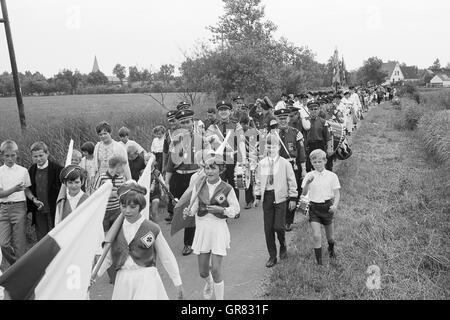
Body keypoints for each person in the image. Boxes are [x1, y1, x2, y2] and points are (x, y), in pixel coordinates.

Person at [93, 181, 183, 300]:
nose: (127, 211)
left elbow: (166, 256)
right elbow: (108, 257)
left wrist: (177, 281)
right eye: (124, 206)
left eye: (133, 207)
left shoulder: (152, 228)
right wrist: (92, 276)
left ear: (141, 206)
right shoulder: (115, 230)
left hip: (146, 278)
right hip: (123, 280)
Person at [184, 152, 240, 300]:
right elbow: (194, 206)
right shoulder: (199, 184)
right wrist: (189, 211)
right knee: (203, 272)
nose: (209, 171)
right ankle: (209, 283)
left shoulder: (227, 188)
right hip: (202, 228)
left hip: (218, 228)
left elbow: (236, 210)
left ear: (220, 170)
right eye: (207, 168)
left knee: (216, 269)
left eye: (213, 168)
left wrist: (222, 210)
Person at [165, 109, 208, 256]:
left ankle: (189, 243)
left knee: (192, 208)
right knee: (181, 208)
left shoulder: (201, 139)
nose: (185, 125)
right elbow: (170, 164)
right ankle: (193, 236)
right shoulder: (175, 141)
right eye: (182, 122)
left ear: (192, 122)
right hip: (178, 179)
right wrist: (166, 182)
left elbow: (208, 160)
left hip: (195, 177)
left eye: (188, 122)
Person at [253, 134, 297, 268]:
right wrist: (257, 196)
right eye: (268, 146)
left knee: (278, 226)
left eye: (274, 146)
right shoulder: (262, 163)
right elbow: (259, 180)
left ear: (278, 147)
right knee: (268, 229)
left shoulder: (284, 163)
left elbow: (291, 180)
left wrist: (293, 197)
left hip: (280, 198)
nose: (271, 148)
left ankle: (282, 244)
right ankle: (272, 256)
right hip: (267, 196)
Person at [0, 140, 40, 265]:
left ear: (17, 155)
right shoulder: (0, 172)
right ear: (2, 156)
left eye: (13, 155)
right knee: (3, 243)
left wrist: (34, 199)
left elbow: (27, 190)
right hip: (4, 209)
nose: (10, 159)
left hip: (19, 208)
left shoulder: (23, 171)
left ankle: (20, 268)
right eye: (7, 156)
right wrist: (14, 189)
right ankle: (15, 264)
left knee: (19, 242)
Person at [301, 149, 340, 265]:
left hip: (327, 207)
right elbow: (304, 193)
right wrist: (307, 183)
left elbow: (337, 194)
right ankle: (319, 262)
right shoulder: (309, 175)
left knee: (330, 237)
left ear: (325, 161)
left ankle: (331, 248)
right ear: (311, 163)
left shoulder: (332, 176)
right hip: (314, 208)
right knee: (316, 235)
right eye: (314, 162)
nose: (317, 164)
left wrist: (335, 205)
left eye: (319, 161)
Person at [273, 108, 307, 232]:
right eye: (280, 118)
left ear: (289, 119)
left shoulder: (296, 133)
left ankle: (288, 221)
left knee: (292, 192)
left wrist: (303, 169)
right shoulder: (271, 134)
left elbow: (302, 153)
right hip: (277, 166)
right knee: (279, 192)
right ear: (276, 120)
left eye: (285, 118)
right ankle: (280, 218)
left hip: (293, 166)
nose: (283, 121)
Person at [206, 101, 246, 202]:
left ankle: (234, 206)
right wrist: (211, 138)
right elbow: (206, 140)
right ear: (218, 112)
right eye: (221, 110)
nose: (223, 112)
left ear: (230, 111)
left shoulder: (236, 125)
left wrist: (244, 159)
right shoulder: (213, 126)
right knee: (220, 183)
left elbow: (241, 143)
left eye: (226, 110)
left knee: (234, 184)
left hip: (233, 158)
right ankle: (222, 206)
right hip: (218, 159)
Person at [28, 141, 63, 241]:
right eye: (35, 156)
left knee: (56, 236)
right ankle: (44, 256)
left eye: (41, 155)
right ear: (32, 157)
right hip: (39, 210)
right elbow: (28, 189)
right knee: (42, 238)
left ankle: (57, 256)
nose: (38, 159)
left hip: (54, 209)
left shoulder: (57, 169)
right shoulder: (32, 170)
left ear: (47, 153)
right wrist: (34, 200)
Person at [93, 155, 127, 232]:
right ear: (118, 166)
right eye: (123, 166)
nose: (124, 169)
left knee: (116, 232)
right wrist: (110, 194)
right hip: (104, 211)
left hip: (117, 210)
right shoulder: (101, 177)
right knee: (105, 232)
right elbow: (95, 194)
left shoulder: (121, 178)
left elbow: (123, 193)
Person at [305, 101, 334, 172]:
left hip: (320, 145)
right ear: (308, 110)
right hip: (309, 147)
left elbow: (328, 137)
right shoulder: (305, 121)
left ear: (318, 110)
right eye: (311, 109)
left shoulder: (323, 122)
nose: (313, 111)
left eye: (315, 109)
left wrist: (329, 148)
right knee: (308, 167)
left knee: (321, 165)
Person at [162, 110, 179, 223]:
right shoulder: (167, 133)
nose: (172, 123)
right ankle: (171, 212)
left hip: (182, 164)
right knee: (171, 188)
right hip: (170, 163)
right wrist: (164, 165)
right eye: (170, 121)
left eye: (173, 120)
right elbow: (165, 150)